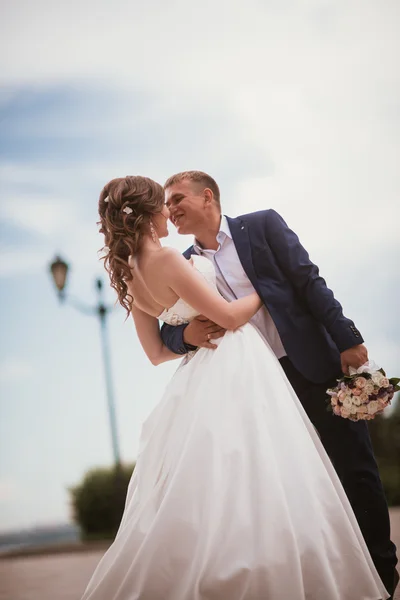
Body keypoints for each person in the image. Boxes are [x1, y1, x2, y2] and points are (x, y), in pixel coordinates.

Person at [82, 175, 388, 600]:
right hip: (251, 385)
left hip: (311, 368)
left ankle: (380, 577)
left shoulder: (261, 226)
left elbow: (309, 282)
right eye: (164, 203)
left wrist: (349, 339)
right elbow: (184, 329)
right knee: (279, 487)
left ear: (207, 196)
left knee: (354, 473)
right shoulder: (177, 258)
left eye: (178, 199)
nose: (170, 209)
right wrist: (191, 334)